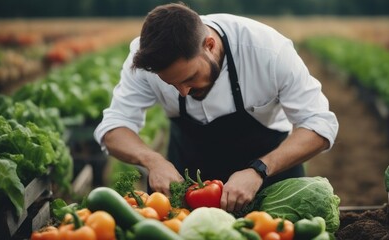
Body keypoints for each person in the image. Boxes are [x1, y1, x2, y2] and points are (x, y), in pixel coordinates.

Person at [94, 3, 338, 212]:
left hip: (272, 176)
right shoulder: (145, 59)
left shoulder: (268, 51)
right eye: (171, 84)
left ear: (209, 45)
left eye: (189, 78)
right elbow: (114, 127)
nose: (183, 92)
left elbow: (318, 124)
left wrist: (260, 170)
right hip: (191, 177)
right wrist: (152, 160)